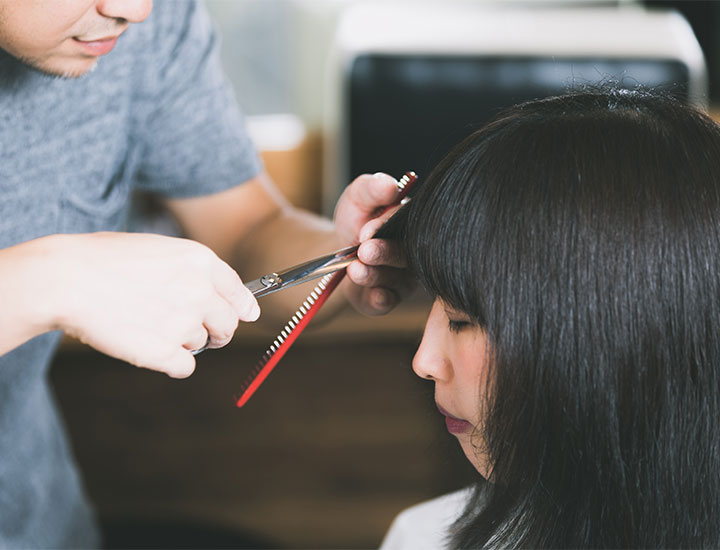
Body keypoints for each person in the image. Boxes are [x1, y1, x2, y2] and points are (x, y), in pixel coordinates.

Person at [0, 0, 412, 547]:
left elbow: (246, 232)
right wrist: (40, 282)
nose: (135, 10)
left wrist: (343, 253)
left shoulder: (145, 29)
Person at [378, 89, 720, 549]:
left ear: (614, 333)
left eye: (461, 320)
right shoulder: (424, 537)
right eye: (433, 303)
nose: (425, 361)